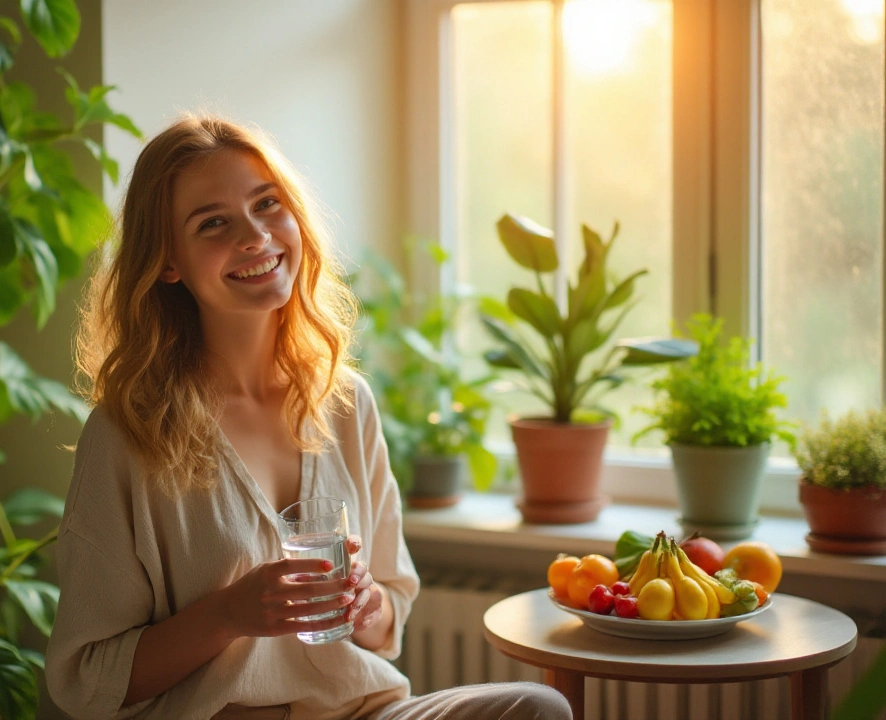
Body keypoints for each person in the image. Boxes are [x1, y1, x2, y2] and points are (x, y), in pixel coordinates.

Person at [46, 114, 571, 720]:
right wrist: (229, 614)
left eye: (267, 204)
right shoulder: (126, 436)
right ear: (168, 262)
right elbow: (89, 681)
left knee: (537, 708)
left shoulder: (346, 403)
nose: (255, 235)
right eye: (213, 222)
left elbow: (387, 623)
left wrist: (366, 604)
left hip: (358, 710)